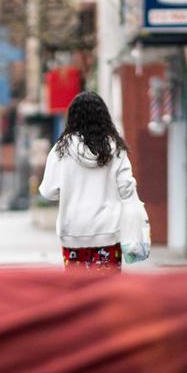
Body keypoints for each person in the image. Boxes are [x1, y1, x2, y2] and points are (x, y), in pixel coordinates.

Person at [38, 91, 140, 270]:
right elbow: (126, 188)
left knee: (78, 289)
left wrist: (70, 188)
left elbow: (48, 191)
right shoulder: (115, 148)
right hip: (108, 231)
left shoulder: (61, 150)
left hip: (73, 232)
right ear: (104, 116)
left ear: (73, 117)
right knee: (106, 289)